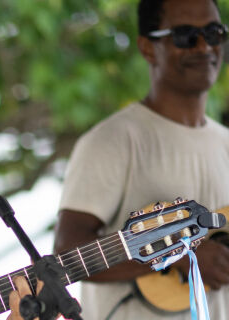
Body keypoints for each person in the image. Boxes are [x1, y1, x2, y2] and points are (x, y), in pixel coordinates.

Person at [53, 0, 229, 319]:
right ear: (148, 47)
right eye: (185, 36)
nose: (204, 46)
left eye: (214, 32)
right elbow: (67, 257)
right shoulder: (112, 140)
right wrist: (179, 254)